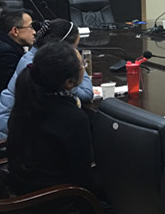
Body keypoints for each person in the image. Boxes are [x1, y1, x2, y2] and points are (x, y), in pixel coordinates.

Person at [7, 41, 109, 211]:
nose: (84, 68)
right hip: (57, 201)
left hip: (25, 192)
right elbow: (82, 177)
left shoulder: (27, 99)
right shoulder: (72, 118)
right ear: (69, 82)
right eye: (82, 66)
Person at [0, 19, 93, 142]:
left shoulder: (31, 56)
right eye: (75, 47)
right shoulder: (46, 68)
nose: (76, 51)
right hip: (6, 142)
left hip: (10, 133)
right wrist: (77, 63)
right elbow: (86, 93)